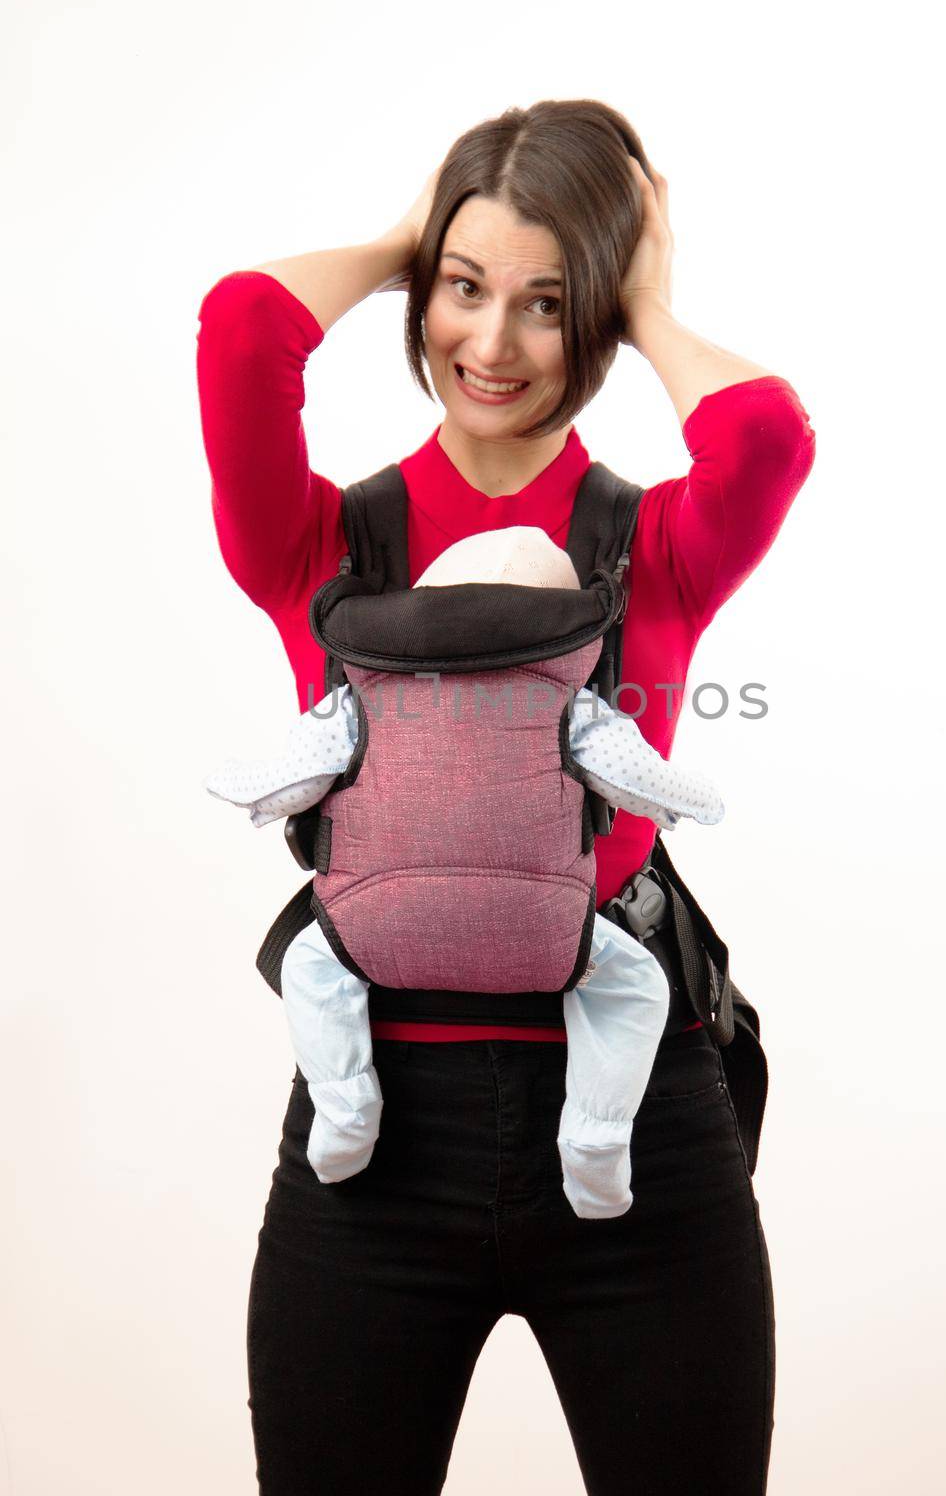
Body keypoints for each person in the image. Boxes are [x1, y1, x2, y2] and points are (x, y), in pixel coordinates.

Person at [196, 98, 815, 1495]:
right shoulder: (320, 540)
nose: (490, 345)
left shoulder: (649, 546)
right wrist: (405, 241)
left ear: (590, 318)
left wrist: (643, 301)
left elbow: (766, 438)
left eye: (547, 306)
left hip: (638, 1142)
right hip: (370, 1158)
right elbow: (241, 329)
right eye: (462, 292)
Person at [203, 524, 726, 1217]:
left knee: (307, 966)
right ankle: (596, 1140)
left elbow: (289, 782)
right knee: (633, 985)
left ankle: (345, 1107)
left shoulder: (361, 694)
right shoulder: (566, 702)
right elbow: (642, 783)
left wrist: (240, 788)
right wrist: (698, 802)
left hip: (367, 924)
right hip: (544, 933)